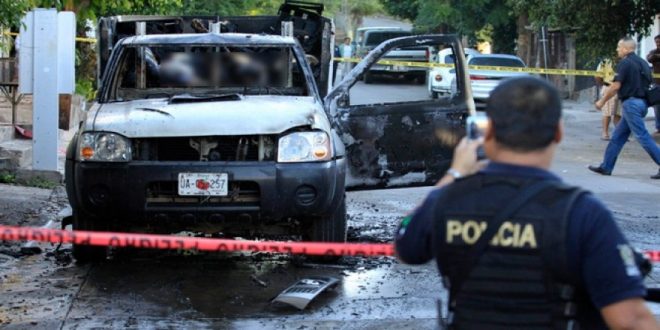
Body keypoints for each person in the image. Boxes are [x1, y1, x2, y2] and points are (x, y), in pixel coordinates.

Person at [395, 77, 657, 329]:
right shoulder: (582, 212)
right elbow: (629, 320)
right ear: (558, 132)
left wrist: (453, 176)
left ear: (490, 130)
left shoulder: (448, 198)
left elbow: (406, 245)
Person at [589, 37, 660, 179]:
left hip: (631, 104)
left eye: (619, 47)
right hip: (642, 104)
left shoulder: (625, 63)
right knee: (618, 136)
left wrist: (602, 101)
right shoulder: (644, 63)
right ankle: (606, 166)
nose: (617, 50)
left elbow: (616, 85)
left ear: (627, 49)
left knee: (642, 136)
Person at [595, 58, 622, 140]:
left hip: (621, 88)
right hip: (609, 86)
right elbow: (598, 76)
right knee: (607, 112)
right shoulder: (605, 61)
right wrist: (603, 85)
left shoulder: (625, 61)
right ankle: (605, 133)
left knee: (618, 113)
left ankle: (619, 133)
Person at [646, 34, 660, 137]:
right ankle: (658, 128)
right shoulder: (653, 53)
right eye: (657, 42)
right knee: (657, 106)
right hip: (657, 83)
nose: (658, 44)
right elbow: (649, 58)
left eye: (659, 42)